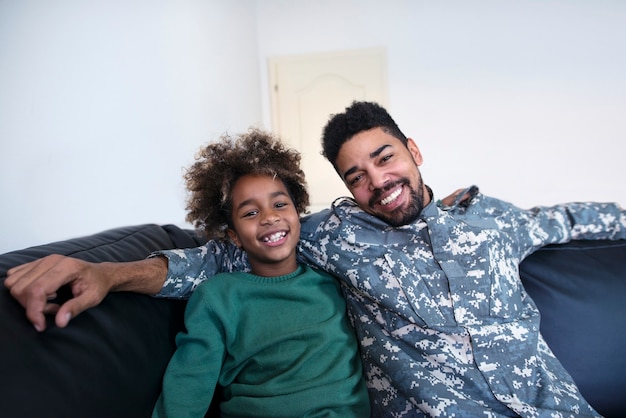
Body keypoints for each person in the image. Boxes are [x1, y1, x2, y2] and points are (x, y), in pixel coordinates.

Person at [6, 101, 625, 416]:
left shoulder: (496, 217)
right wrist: (106, 274)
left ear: (413, 149)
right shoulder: (334, 235)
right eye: (356, 176)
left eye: (386, 158)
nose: (378, 181)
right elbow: (213, 261)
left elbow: (579, 217)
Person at [151, 129, 370, 417]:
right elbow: (188, 385)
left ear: (297, 214)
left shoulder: (332, 283)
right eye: (250, 213)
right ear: (235, 236)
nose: (269, 217)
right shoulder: (217, 298)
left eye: (280, 205)